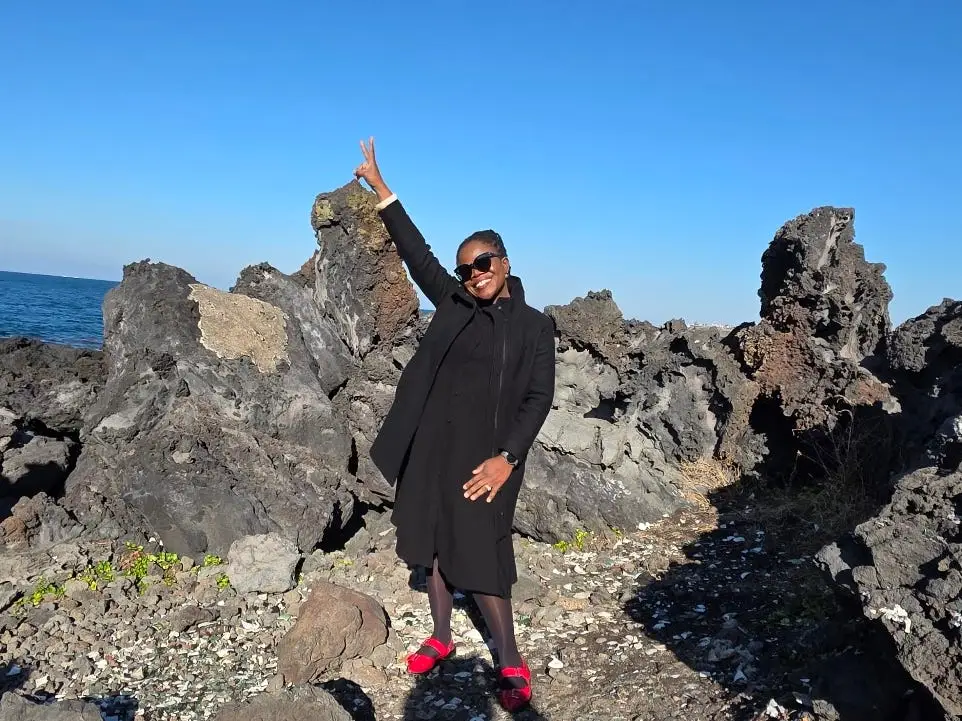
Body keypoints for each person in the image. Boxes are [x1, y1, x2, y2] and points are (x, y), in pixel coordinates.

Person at [353, 138, 555, 711]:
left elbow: (538, 398)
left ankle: (510, 657)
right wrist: (382, 189)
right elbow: (416, 254)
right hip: (430, 444)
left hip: (488, 455)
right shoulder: (452, 301)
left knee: (483, 552)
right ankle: (441, 636)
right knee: (432, 545)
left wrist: (506, 457)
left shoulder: (536, 328)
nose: (473, 274)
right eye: (466, 267)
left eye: (482, 264)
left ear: (506, 263)